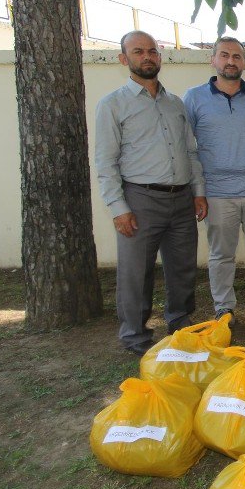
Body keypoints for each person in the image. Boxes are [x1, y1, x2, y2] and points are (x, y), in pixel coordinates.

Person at [95, 30, 208, 355]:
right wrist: (118, 207)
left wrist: (198, 191)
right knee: (135, 271)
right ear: (124, 59)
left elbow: (191, 151)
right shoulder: (113, 105)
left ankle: (179, 323)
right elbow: (106, 161)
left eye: (152, 51)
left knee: (183, 266)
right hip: (139, 199)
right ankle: (134, 334)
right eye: (138, 51)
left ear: (160, 57)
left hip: (181, 197)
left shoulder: (175, 104)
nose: (147, 57)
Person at [183, 37, 245, 322]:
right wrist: (197, 191)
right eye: (224, 55)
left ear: (244, 62)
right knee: (221, 255)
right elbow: (187, 148)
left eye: (237, 56)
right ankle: (223, 307)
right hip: (216, 192)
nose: (230, 61)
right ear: (212, 60)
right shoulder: (193, 98)